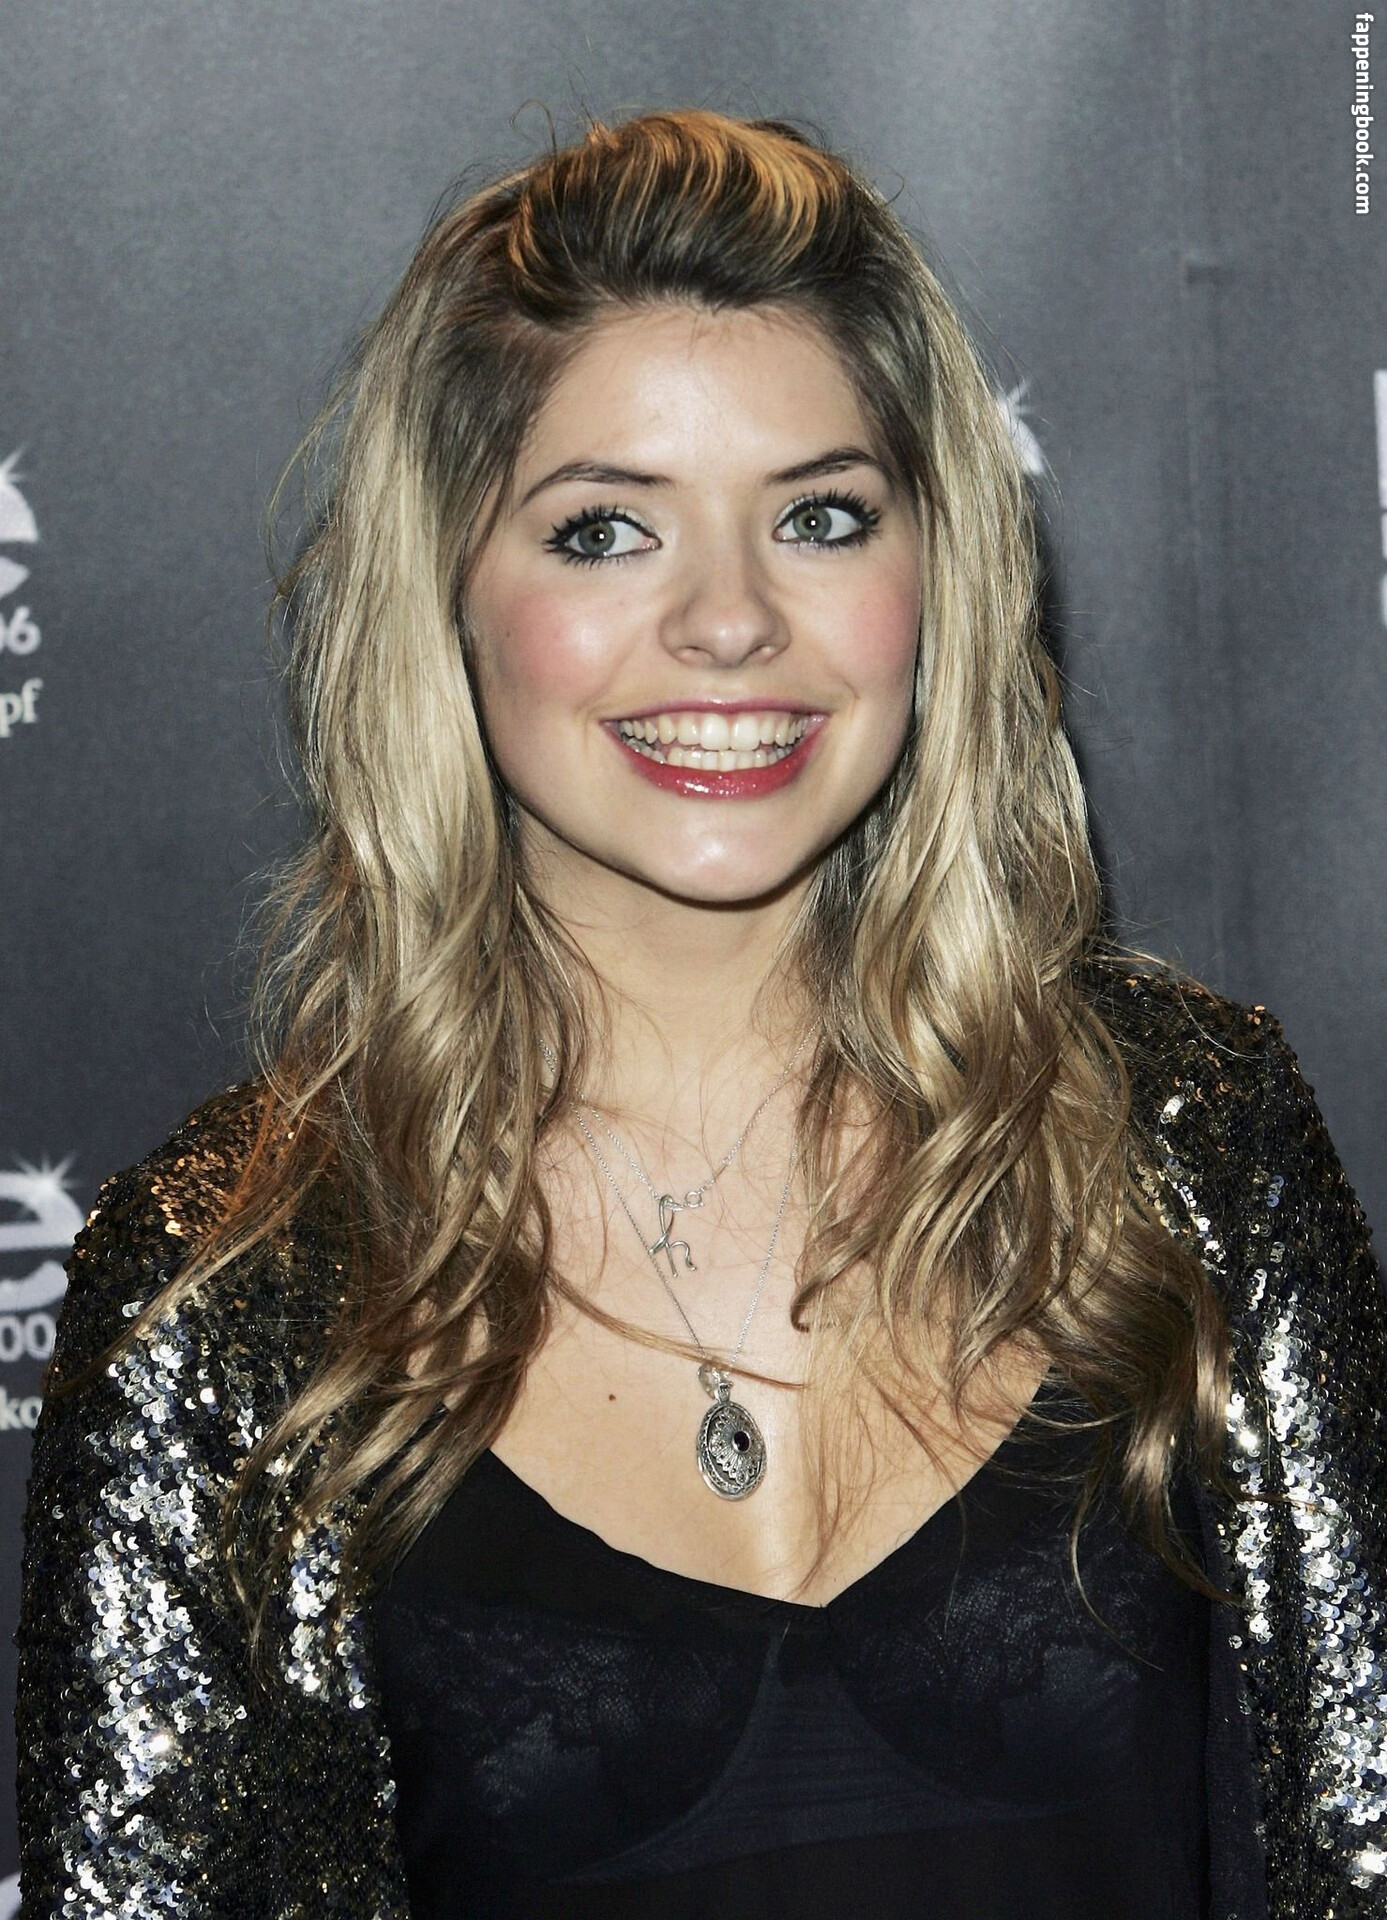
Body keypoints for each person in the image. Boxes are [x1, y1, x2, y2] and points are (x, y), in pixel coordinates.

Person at [13, 107, 1386, 1920]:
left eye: (820, 517)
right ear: (450, 597)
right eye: (605, 532)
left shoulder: (1189, 1141)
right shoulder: (230, 1299)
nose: (729, 621)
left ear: (939, 575)